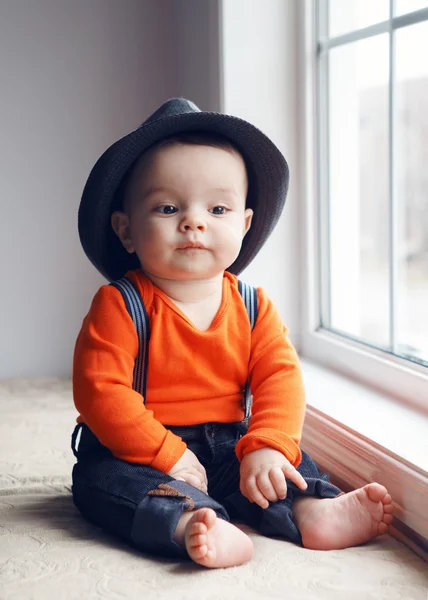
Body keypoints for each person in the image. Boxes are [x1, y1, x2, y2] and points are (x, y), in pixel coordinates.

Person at [71, 98, 393, 569]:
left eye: (217, 208)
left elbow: (280, 379)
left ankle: (311, 511)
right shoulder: (121, 304)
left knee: (283, 467)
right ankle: (192, 523)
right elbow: (101, 392)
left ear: (244, 225)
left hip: (231, 445)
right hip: (139, 448)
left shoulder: (252, 305)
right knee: (103, 484)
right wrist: (166, 453)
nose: (194, 221)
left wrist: (266, 443)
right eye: (167, 207)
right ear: (126, 231)